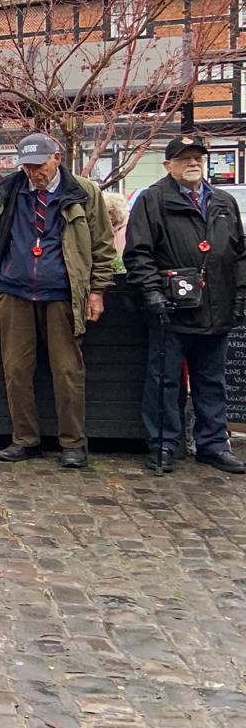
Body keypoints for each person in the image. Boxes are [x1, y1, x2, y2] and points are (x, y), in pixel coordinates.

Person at [0, 132, 116, 468]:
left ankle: (73, 444)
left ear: (57, 157)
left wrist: (96, 291)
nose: (33, 173)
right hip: (14, 293)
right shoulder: (8, 191)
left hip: (62, 294)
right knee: (16, 370)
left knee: (68, 371)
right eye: (26, 166)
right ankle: (25, 440)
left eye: (38, 165)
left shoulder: (84, 192)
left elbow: (103, 245)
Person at [123, 135, 246, 474]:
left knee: (213, 381)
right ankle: (163, 445)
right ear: (168, 165)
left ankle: (213, 445)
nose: (193, 163)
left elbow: (238, 254)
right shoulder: (153, 200)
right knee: (163, 380)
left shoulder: (222, 201)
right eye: (184, 158)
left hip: (216, 308)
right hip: (172, 309)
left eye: (197, 158)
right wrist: (152, 293)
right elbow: (139, 254)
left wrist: (239, 297)